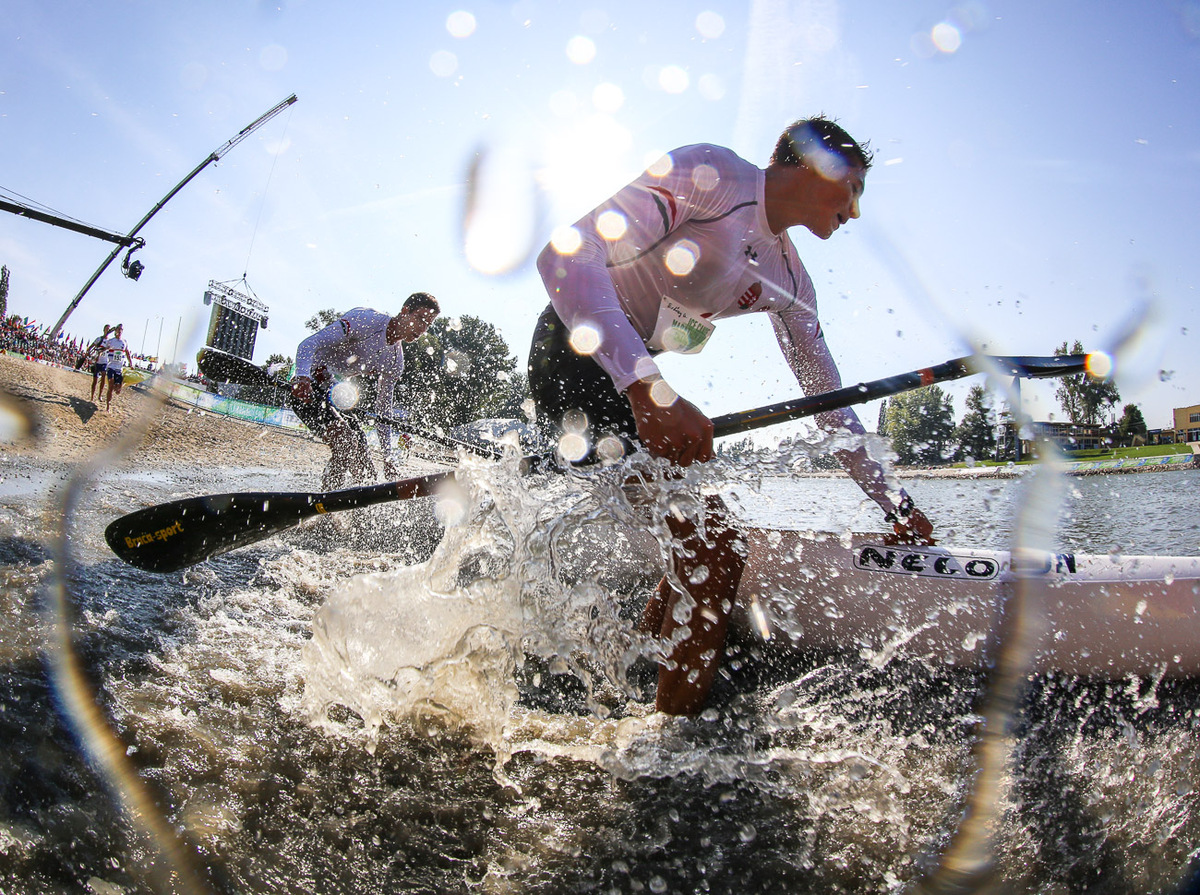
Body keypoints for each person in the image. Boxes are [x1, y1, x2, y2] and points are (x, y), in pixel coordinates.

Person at [530, 116, 936, 716]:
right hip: (573, 351)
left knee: (699, 538)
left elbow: (831, 410)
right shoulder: (715, 175)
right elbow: (563, 256)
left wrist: (895, 505)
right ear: (817, 164)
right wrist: (647, 390)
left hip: (631, 382)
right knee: (718, 548)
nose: (854, 213)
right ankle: (671, 747)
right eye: (852, 190)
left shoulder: (793, 281)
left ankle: (646, 681)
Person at [290, 293, 440, 489]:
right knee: (346, 442)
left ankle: (350, 512)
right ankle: (326, 507)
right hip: (307, 387)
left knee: (365, 470)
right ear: (404, 311)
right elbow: (308, 345)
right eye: (420, 318)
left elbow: (384, 410)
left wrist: (388, 457)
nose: (422, 328)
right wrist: (302, 378)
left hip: (335, 395)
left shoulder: (396, 362)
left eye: (428, 324)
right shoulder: (365, 320)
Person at [100, 324, 134, 411]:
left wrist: (131, 363)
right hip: (111, 366)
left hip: (119, 368)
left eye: (121, 329)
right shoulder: (111, 341)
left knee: (118, 390)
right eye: (118, 329)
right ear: (115, 331)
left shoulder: (124, 342)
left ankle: (117, 387)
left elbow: (127, 353)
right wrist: (100, 350)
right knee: (110, 385)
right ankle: (107, 405)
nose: (119, 331)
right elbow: (104, 347)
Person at [85, 324, 113, 403]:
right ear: (104, 330)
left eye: (109, 329)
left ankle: (100, 395)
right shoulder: (99, 339)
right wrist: (88, 352)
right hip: (97, 361)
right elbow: (91, 346)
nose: (107, 330)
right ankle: (92, 396)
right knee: (95, 380)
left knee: (103, 375)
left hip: (104, 361)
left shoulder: (109, 341)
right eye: (106, 329)